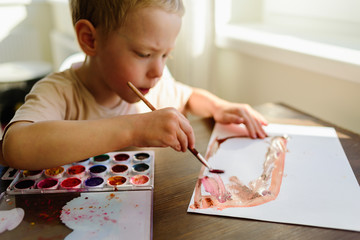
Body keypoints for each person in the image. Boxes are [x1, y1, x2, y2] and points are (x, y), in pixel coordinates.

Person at [0, 0, 267, 170]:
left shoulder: (154, 85)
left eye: (166, 55)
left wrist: (220, 106)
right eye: (143, 54)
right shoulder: (60, 92)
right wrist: (132, 129)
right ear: (90, 39)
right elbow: (16, 147)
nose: (158, 71)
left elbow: (188, 96)